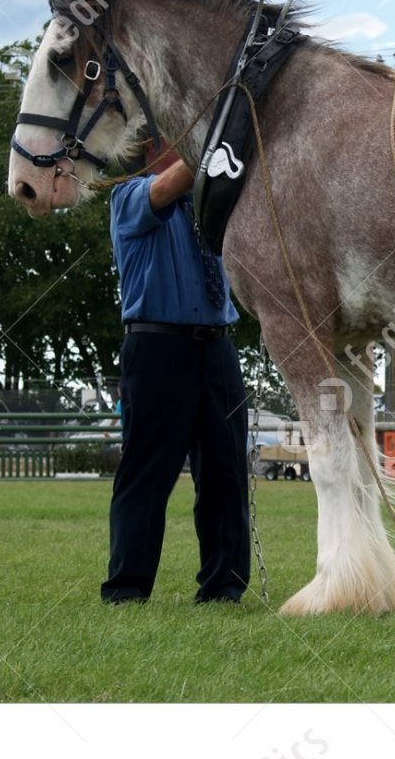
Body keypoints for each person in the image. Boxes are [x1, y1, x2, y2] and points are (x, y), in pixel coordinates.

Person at [100, 144, 250, 604]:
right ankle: (127, 587)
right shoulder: (128, 195)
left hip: (218, 347)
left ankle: (224, 586)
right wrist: (217, 138)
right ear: (147, 151)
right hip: (157, 346)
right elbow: (170, 184)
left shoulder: (211, 205)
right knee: (147, 470)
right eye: (173, 138)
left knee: (226, 472)